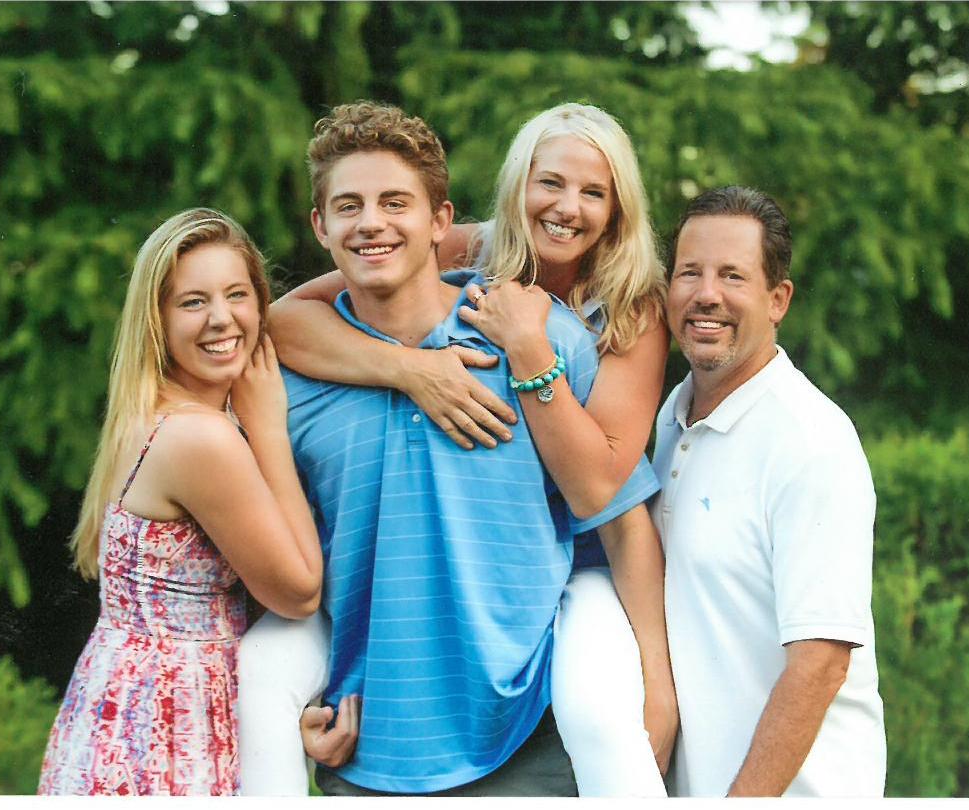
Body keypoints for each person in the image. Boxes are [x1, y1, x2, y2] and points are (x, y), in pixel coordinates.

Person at [241, 103, 677, 797]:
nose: (373, 222)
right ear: (319, 226)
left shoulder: (576, 329)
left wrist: (658, 690)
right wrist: (412, 369)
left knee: (601, 711)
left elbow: (614, 509)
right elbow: (273, 551)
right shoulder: (291, 376)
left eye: (395, 203)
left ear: (437, 221)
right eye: (350, 206)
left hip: (531, 717)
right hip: (372, 742)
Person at [37, 208, 323, 796]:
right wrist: (269, 429)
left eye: (238, 295)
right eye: (193, 302)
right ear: (157, 320)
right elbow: (298, 593)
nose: (222, 318)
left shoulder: (150, 411)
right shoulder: (201, 437)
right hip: (173, 724)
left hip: (118, 706)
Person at [651, 186, 887, 797]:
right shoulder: (671, 419)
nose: (707, 294)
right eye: (690, 272)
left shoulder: (811, 441)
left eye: (733, 275)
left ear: (778, 299)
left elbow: (821, 662)